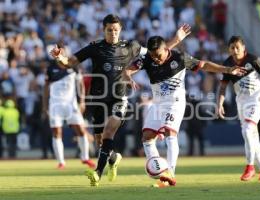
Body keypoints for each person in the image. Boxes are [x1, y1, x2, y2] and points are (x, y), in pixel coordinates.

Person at [50, 14, 191, 186]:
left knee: (109, 132)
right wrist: (59, 57)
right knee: (100, 142)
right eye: (109, 30)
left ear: (121, 30)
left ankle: (97, 173)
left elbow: (158, 53)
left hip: (119, 97)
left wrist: (176, 39)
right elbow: (69, 62)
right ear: (104, 30)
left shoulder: (130, 46)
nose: (113, 33)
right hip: (98, 99)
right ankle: (114, 157)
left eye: (116, 30)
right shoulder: (95, 47)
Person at [123, 36, 245, 187]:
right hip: (157, 103)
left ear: (166, 49)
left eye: (158, 55)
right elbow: (127, 70)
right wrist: (128, 78)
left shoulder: (180, 58)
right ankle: (159, 170)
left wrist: (227, 69)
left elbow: (204, 65)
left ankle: (170, 173)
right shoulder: (147, 58)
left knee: (170, 133)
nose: (156, 59)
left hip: (175, 102)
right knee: (147, 137)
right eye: (153, 56)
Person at [217, 35, 260, 182]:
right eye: (232, 47)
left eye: (238, 47)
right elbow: (223, 87)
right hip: (242, 101)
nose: (235, 50)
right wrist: (219, 103)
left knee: (247, 130)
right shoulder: (228, 64)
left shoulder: (253, 60)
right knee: (251, 135)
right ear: (229, 49)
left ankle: (250, 167)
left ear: (243, 47)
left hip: (257, 98)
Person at [43, 58, 95, 169]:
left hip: (71, 105)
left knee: (81, 130)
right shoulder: (50, 68)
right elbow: (46, 88)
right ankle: (61, 162)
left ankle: (85, 158)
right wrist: (45, 105)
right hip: (55, 104)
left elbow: (80, 84)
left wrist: (81, 101)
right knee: (57, 132)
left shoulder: (74, 67)